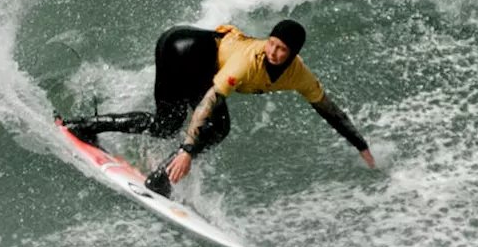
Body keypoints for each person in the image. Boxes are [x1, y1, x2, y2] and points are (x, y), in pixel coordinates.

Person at [61, 20, 375, 197]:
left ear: (293, 54)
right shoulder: (246, 64)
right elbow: (209, 102)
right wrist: (186, 150)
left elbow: (328, 108)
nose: (274, 52)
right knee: (214, 126)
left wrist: (360, 144)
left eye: (283, 50)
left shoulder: (299, 75)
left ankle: (84, 127)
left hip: (187, 49)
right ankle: (161, 178)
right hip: (182, 50)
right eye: (272, 44)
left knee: (166, 123)